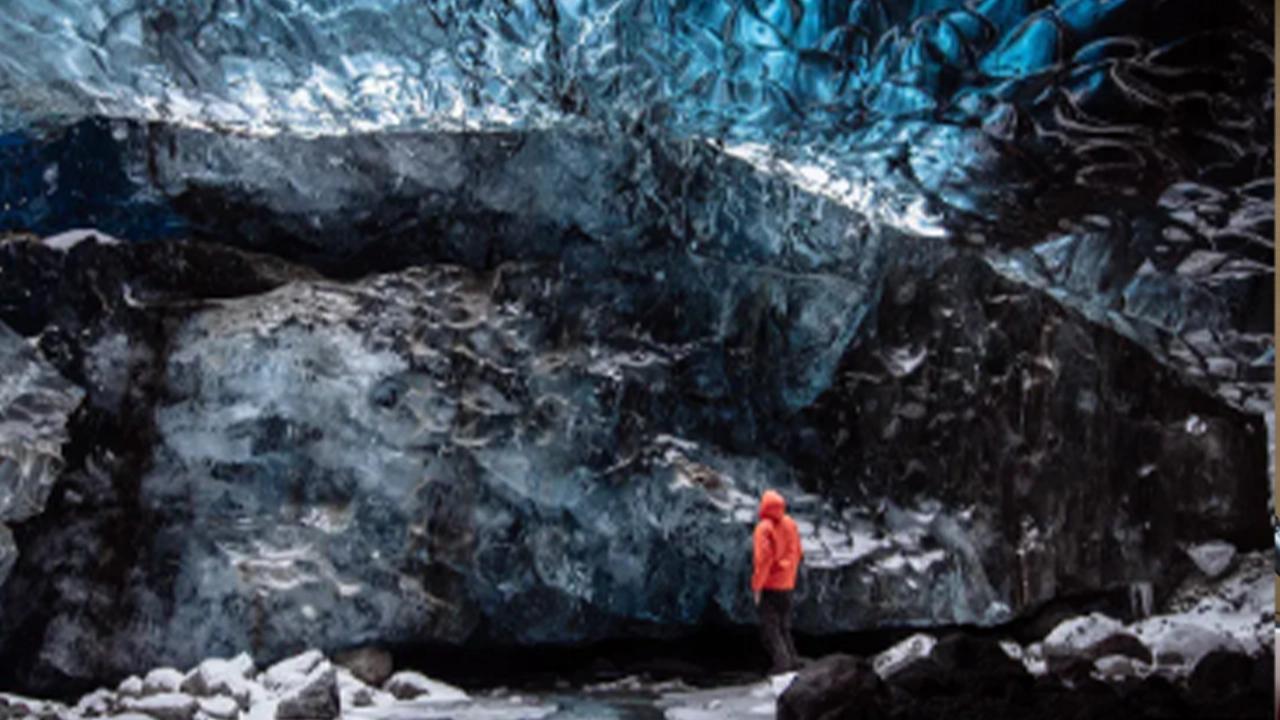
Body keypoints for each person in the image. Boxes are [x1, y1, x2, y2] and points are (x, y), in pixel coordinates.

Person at [752, 489, 803, 673]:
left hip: (770, 585)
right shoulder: (790, 523)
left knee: (771, 629)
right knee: (784, 626)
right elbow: (798, 551)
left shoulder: (763, 528)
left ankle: (782, 664)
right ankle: (793, 659)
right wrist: (790, 575)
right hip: (787, 583)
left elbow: (763, 560)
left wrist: (757, 587)